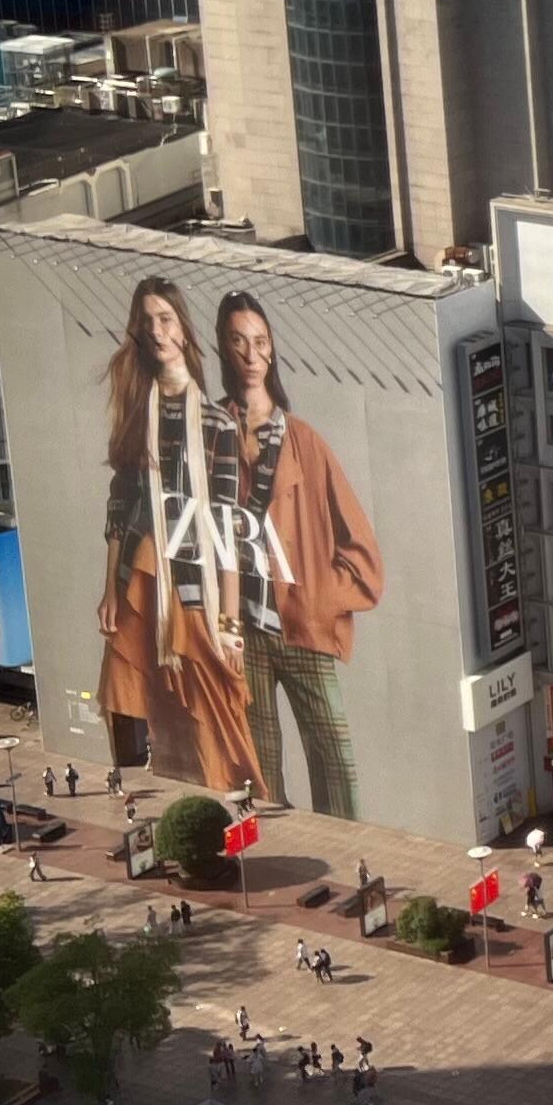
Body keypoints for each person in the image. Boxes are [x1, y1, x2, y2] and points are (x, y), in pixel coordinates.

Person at [215, 291, 385, 818]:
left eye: (260, 341)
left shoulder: (304, 442)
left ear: (272, 350)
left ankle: (349, 853)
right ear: (223, 349)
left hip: (302, 627)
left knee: (335, 762)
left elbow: (364, 554)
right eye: (238, 341)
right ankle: (276, 852)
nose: (251, 354)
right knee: (257, 770)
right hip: (241, 633)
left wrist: (317, 599)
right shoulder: (209, 434)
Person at [96, 273, 251, 787]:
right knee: (151, 710)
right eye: (147, 322)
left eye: (165, 319)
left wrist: (230, 627)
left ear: (183, 327)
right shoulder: (135, 411)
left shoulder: (216, 423)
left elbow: (227, 531)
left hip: (195, 594)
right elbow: (120, 504)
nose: (157, 331)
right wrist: (109, 589)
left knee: (216, 726)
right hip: (140, 584)